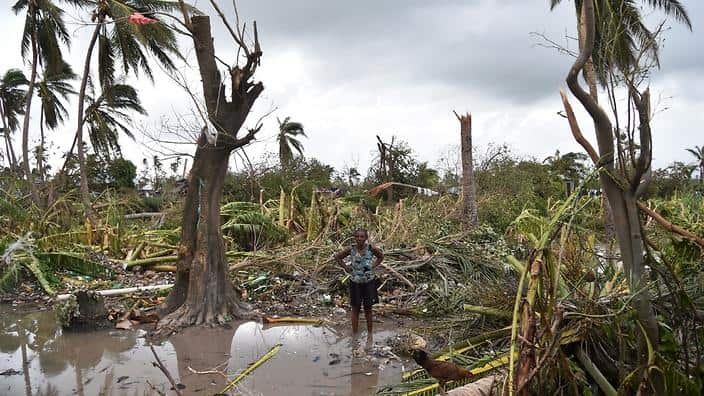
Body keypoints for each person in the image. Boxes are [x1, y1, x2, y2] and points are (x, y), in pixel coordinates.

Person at [334, 229, 384, 336]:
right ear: (354, 238)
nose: (359, 239)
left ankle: (370, 334)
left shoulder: (371, 249)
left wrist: (373, 266)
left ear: (366, 238)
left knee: (368, 309)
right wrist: (346, 267)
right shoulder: (350, 249)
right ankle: (355, 334)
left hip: (369, 282)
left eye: (362, 237)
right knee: (355, 308)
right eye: (357, 237)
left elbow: (381, 257)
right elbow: (337, 257)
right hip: (355, 282)